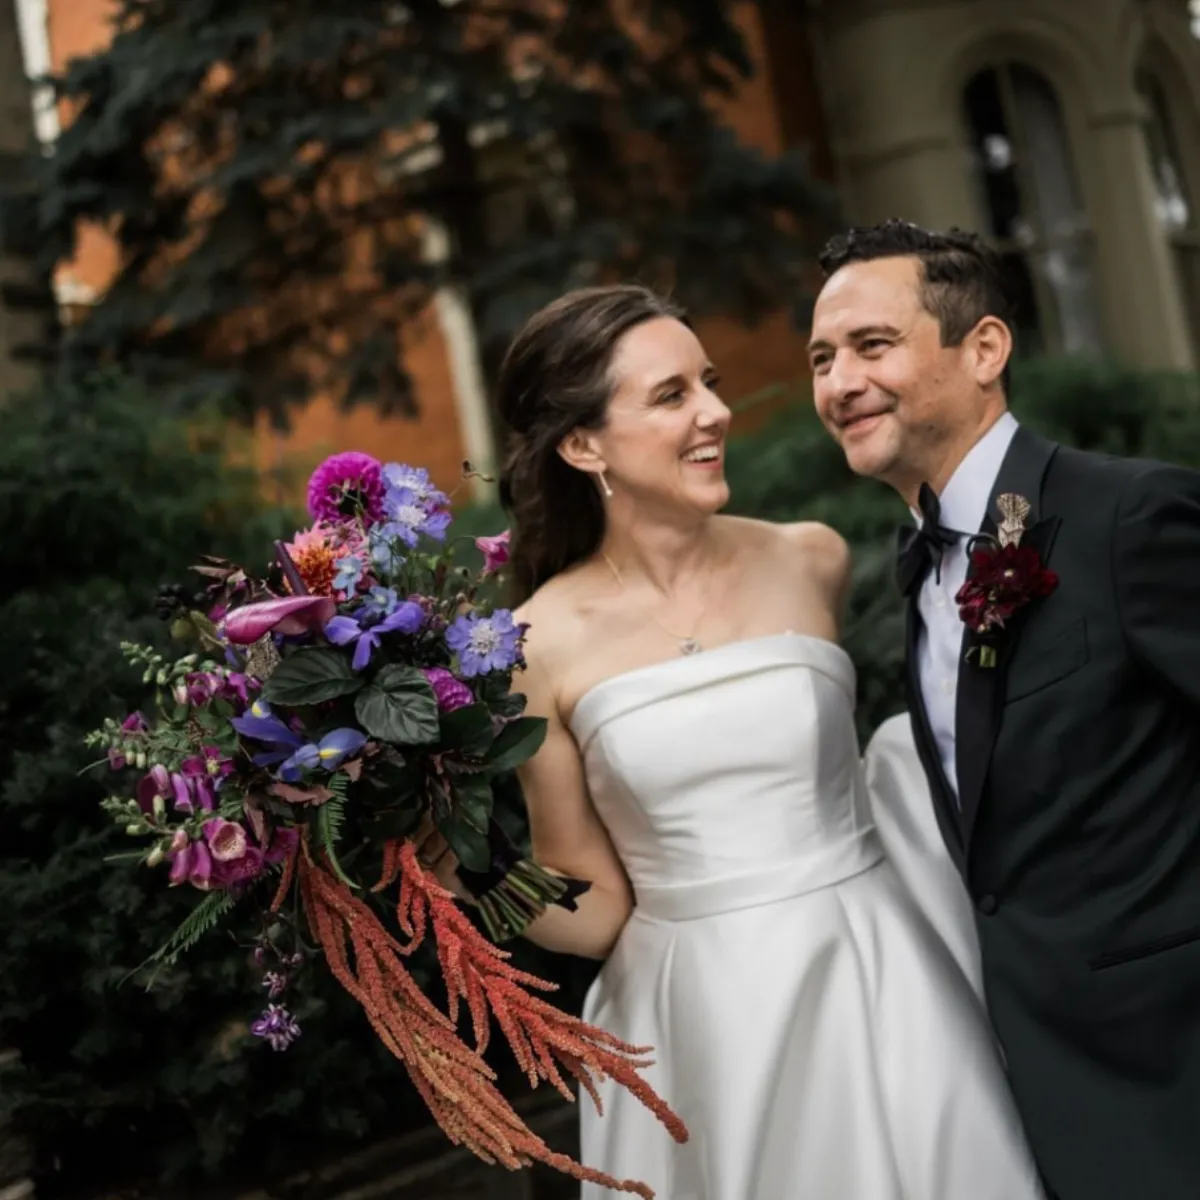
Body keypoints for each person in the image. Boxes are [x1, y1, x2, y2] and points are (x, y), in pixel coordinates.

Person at [465, 283, 1045, 1198]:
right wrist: (459, 872)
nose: (715, 412)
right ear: (583, 446)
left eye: (710, 382)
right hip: (702, 1022)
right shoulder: (536, 645)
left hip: (879, 972)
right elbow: (597, 907)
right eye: (672, 395)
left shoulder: (810, 558)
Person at [809, 218, 1200, 1200]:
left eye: (871, 345)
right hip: (1049, 1084)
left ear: (984, 348)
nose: (839, 383)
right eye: (821, 359)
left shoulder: (1130, 517)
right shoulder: (917, 574)